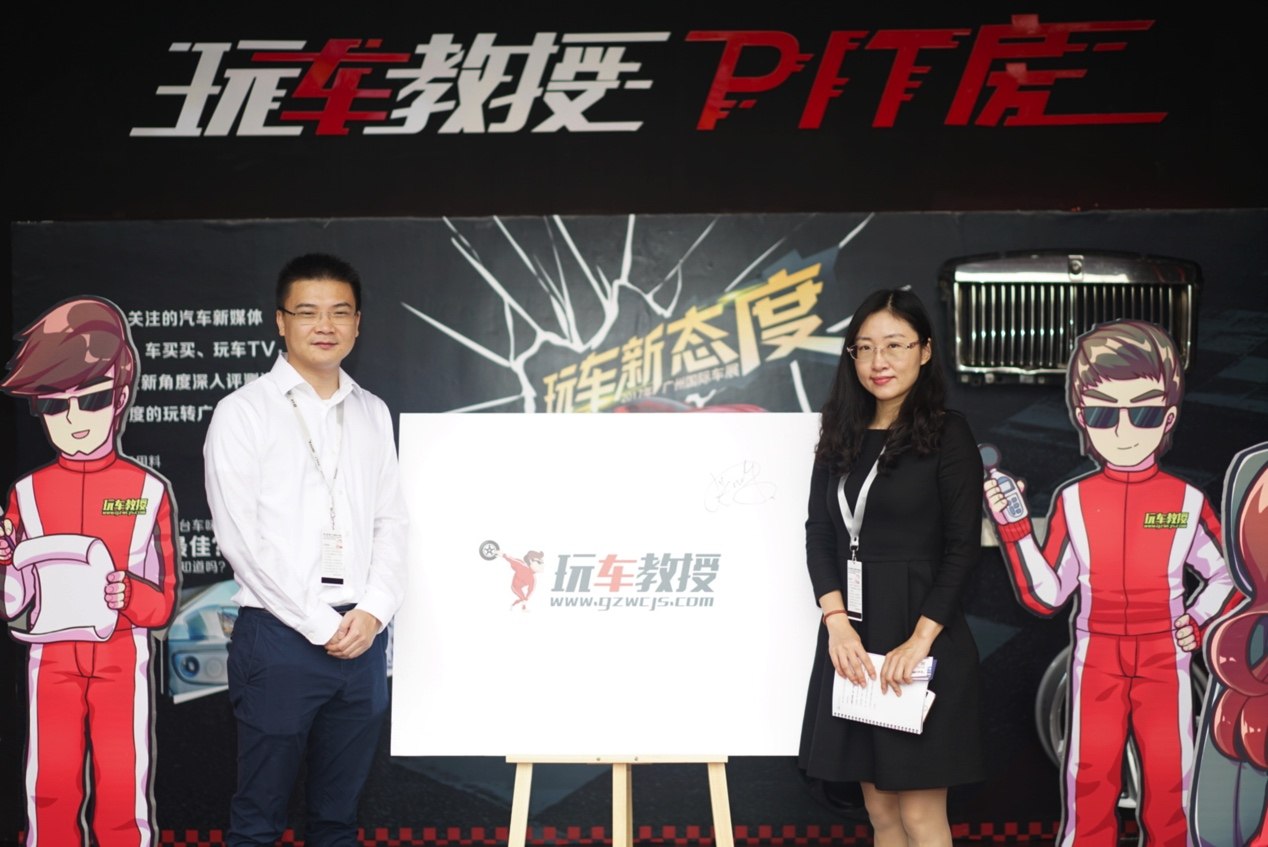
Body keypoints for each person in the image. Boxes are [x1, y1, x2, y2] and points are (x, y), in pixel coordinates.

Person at [983, 320, 1235, 847]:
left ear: (1168, 417)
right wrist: (1015, 529)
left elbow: (1227, 572)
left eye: (1142, 413)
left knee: (1172, 782)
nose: (1123, 430)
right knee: (1089, 781)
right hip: (1096, 653)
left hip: (1165, 654)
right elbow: (1048, 596)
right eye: (1103, 414)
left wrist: (1196, 620)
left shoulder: (1185, 501)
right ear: (1082, 417)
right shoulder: (1074, 500)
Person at [204, 253, 409, 846]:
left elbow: (391, 521)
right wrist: (320, 624)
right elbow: (241, 540)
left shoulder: (372, 412)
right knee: (258, 821)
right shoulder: (243, 413)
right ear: (281, 321)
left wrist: (374, 611)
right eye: (308, 312)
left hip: (362, 640)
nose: (325, 325)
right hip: (280, 638)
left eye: (340, 312)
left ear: (357, 324)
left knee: (338, 821)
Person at [799, 288, 985, 847]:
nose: (878, 361)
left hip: (921, 637)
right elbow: (820, 533)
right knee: (881, 815)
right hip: (854, 642)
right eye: (865, 347)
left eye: (895, 345)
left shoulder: (948, 434)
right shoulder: (840, 432)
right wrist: (836, 624)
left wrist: (920, 640)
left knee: (921, 816)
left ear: (924, 351)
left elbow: (962, 548)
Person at [0, 297, 179, 847]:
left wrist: (129, 595)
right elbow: (12, 602)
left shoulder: (147, 491)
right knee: (50, 795)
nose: (75, 420)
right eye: (55, 406)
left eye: (93, 399)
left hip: (121, 658)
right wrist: (5, 561)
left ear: (120, 394)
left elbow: (163, 604)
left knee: (123, 798)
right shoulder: (26, 494)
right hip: (49, 660)